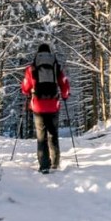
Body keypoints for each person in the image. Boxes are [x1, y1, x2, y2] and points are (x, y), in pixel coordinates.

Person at [21, 43, 70, 173]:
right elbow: (64, 82)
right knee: (53, 134)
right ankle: (55, 162)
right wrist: (65, 95)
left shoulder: (32, 68)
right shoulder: (56, 66)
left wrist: (27, 93)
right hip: (53, 104)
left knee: (41, 136)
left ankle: (44, 165)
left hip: (38, 106)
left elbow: (25, 86)